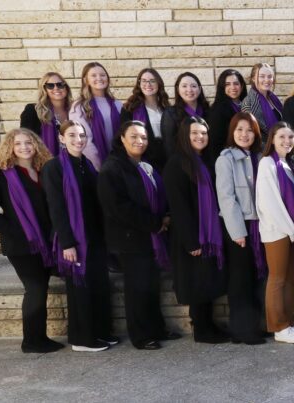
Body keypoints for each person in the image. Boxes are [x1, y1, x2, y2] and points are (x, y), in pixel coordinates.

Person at [97, 121, 181, 350]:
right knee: (137, 289)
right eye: (133, 136)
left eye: (143, 137)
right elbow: (119, 208)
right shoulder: (112, 168)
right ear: (122, 138)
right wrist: (155, 223)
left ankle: (157, 328)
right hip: (130, 239)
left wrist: (164, 218)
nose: (139, 141)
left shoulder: (144, 164)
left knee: (150, 286)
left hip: (150, 237)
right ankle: (141, 336)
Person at [0, 128, 60, 353]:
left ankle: (39, 338)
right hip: (20, 244)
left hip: (44, 242)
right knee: (34, 289)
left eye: (29, 143)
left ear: (36, 146)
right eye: (18, 144)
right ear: (10, 148)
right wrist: (14, 230)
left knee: (40, 289)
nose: (24, 147)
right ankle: (32, 342)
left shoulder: (42, 171)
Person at [41, 121, 115, 352]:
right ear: (62, 138)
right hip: (74, 239)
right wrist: (68, 243)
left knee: (99, 286)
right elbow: (56, 208)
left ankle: (101, 332)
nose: (78, 139)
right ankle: (82, 339)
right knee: (80, 289)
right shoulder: (54, 168)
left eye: (82, 135)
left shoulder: (87, 165)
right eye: (72, 135)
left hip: (94, 236)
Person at [162, 116, 229, 344]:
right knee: (197, 283)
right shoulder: (177, 163)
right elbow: (178, 206)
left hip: (208, 232)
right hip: (190, 235)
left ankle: (208, 324)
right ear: (184, 136)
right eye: (195, 133)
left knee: (207, 280)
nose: (200, 137)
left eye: (203, 133)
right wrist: (191, 241)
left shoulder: (205, 160)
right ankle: (201, 330)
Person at [255, 122, 294, 344]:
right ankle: (278, 326)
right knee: (277, 279)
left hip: (289, 231)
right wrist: (291, 231)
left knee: (289, 278)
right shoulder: (267, 164)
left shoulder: (286, 164)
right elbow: (271, 203)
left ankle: (288, 322)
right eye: (282, 137)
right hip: (277, 231)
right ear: (272, 139)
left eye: (290, 138)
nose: (286, 141)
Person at [214, 112, 268, 344]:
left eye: (249, 130)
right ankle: (242, 331)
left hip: (260, 225)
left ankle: (254, 326)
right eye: (239, 130)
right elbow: (226, 198)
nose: (244, 134)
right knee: (240, 280)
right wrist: (237, 232)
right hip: (240, 227)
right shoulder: (225, 158)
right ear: (232, 132)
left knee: (257, 277)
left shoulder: (260, 155)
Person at [69, 62, 121, 168]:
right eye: (93, 75)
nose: (99, 78)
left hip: (119, 162)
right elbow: (85, 139)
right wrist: (100, 166)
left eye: (102, 75)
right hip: (95, 165)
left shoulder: (117, 104)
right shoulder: (79, 107)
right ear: (86, 80)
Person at [119, 68, 171, 170]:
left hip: (167, 157)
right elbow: (125, 137)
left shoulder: (166, 108)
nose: (148, 84)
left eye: (152, 81)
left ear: (159, 83)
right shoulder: (129, 109)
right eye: (144, 81)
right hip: (144, 157)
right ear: (139, 83)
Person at [160, 72, 210, 161]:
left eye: (193, 86)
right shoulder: (170, 113)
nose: (189, 90)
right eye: (184, 86)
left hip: (207, 161)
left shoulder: (208, 111)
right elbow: (169, 146)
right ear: (178, 90)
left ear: (199, 89)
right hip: (183, 163)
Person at [20, 72, 71, 155]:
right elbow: (25, 140)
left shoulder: (75, 110)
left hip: (73, 162)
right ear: (45, 90)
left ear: (66, 88)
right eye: (50, 86)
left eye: (60, 84)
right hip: (44, 163)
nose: (56, 88)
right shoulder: (33, 111)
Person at [207, 69, 248, 160]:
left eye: (236, 84)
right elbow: (215, 142)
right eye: (227, 84)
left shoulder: (247, 106)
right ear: (222, 88)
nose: (233, 87)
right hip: (229, 158)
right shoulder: (218, 110)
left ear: (242, 86)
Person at [240, 63, 283, 137]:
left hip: (279, 143)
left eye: (270, 76)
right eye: (262, 76)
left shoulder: (274, 99)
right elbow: (251, 132)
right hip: (263, 146)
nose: (267, 80)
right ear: (253, 78)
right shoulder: (247, 103)